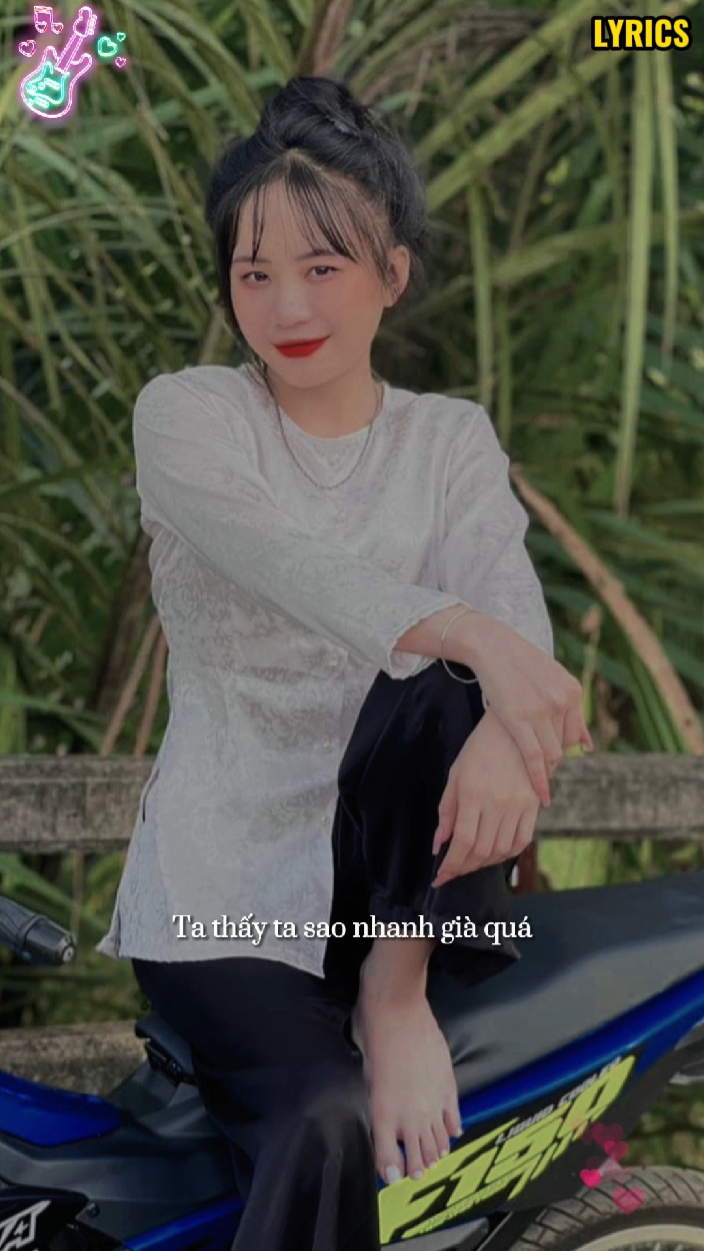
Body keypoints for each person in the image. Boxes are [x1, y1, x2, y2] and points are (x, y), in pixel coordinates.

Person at [96, 75, 592, 1251]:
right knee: (322, 1116)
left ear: (391, 273)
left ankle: (393, 988)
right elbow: (304, 573)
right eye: (252, 274)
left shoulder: (448, 438)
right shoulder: (188, 418)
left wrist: (495, 717)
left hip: (416, 889)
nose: (285, 305)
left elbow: (513, 621)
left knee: (454, 682)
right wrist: (478, 646)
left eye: (321, 267)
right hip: (222, 903)